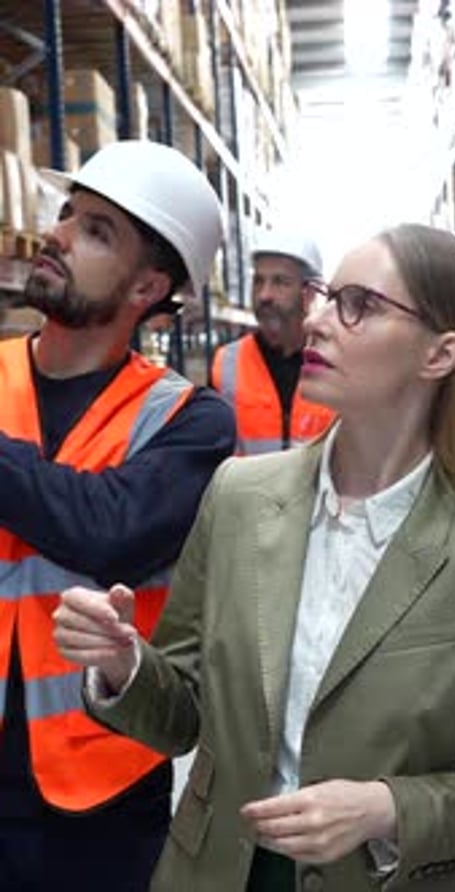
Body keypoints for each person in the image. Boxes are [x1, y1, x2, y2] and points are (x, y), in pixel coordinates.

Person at [54, 222, 455, 892]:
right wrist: (123, 664)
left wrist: (388, 808)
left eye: (361, 305)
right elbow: (184, 715)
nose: (317, 321)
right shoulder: (239, 496)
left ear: (440, 355)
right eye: (326, 296)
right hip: (217, 870)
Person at [0, 139, 235, 892]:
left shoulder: (189, 420)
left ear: (149, 285)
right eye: (66, 214)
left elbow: (108, 529)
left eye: (96, 230)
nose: (59, 234)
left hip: (98, 794)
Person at [211, 226, 334, 453]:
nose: (264, 295)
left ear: (309, 293)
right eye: (258, 281)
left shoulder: (337, 363)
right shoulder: (225, 363)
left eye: (280, 282)